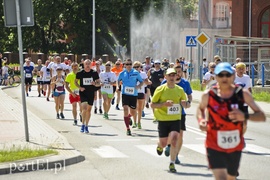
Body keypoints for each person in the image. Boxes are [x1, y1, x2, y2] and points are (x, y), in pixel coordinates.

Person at [196, 62, 266, 180]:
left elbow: (262, 116)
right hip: (213, 143)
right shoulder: (209, 95)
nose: (224, 78)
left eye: (227, 75)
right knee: (221, 177)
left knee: (231, 177)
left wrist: (244, 116)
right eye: (221, 75)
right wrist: (201, 120)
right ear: (216, 77)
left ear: (233, 76)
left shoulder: (242, 94)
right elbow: (200, 109)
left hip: (234, 144)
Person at [151, 68, 190, 173]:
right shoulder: (160, 89)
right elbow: (152, 104)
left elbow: (187, 104)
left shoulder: (180, 90)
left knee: (174, 140)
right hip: (163, 119)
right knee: (164, 143)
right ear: (166, 77)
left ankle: (172, 163)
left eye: (174, 75)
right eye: (170, 75)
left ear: (176, 76)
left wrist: (185, 104)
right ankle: (160, 145)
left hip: (176, 119)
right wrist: (164, 104)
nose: (172, 77)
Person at [162, 65, 193, 164]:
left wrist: (188, 102)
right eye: (176, 72)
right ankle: (169, 145)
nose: (178, 74)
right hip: (167, 112)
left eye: (179, 71)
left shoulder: (185, 83)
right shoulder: (165, 83)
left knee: (180, 135)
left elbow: (189, 95)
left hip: (180, 113)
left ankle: (175, 155)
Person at [118, 59, 144, 135]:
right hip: (125, 94)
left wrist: (138, 86)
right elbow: (118, 80)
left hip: (133, 94)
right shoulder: (122, 73)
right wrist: (117, 86)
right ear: (125, 65)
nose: (129, 65)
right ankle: (128, 129)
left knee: (133, 112)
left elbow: (141, 82)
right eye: (127, 64)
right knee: (125, 109)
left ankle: (129, 117)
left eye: (130, 64)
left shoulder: (136, 73)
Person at [75, 59, 100, 133]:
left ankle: (86, 125)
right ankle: (82, 125)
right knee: (84, 108)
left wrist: (95, 84)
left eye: (89, 64)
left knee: (89, 110)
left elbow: (98, 83)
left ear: (91, 65)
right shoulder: (80, 73)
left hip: (91, 93)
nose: (88, 65)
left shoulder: (94, 73)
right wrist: (80, 87)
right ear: (84, 64)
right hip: (83, 92)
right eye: (86, 64)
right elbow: (75, 82)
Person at [132, 61, 151, 129]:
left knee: (140, 109)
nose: (137, 68)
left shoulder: (143, 74)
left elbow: (147, 81)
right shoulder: (131, 73)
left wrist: (148, 82)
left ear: (140, 68)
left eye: (138, 67)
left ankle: (139, 122)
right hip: (133, 92)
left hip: (141, 92)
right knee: (134, 108)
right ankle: (134, 122)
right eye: (135, 67)